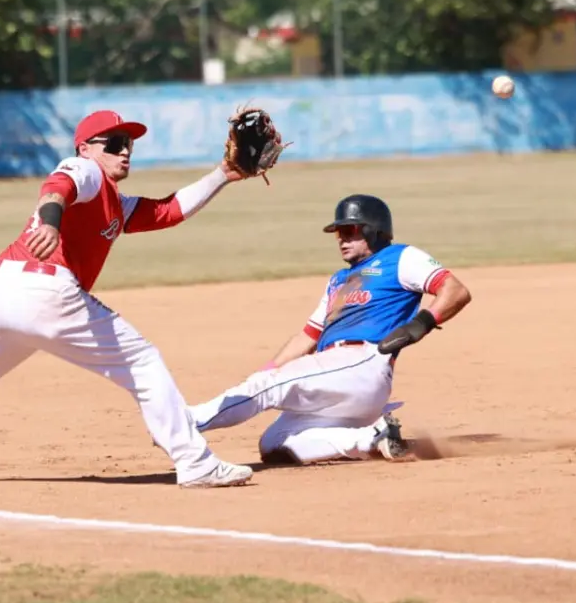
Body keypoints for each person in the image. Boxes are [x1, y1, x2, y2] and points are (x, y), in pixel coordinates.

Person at [0, 109, 272, 488]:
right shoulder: (84, 171)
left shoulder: (114, 204)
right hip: (44, 291)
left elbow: (169, 211)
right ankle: (194, 462)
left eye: (130, 145)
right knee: (142, 361)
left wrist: (223, 175)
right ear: (87, 147)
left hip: (2, 292)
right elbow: (57, 185)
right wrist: (49, 221)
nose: (125, 151)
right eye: (115, 142)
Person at [187, 194, 472, 465]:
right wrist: (266, 371)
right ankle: (372, 439)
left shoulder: (400, 258)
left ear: (374, 230)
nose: (342, 239)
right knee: (275, 443)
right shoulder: (339, 279)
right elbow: (308, 336)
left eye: (350, 231)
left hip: (362, 362)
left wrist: (419, 325)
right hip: (339, 379)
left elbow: (455, 290)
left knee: (267, 387)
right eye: (339, 233)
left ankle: (182, 423)